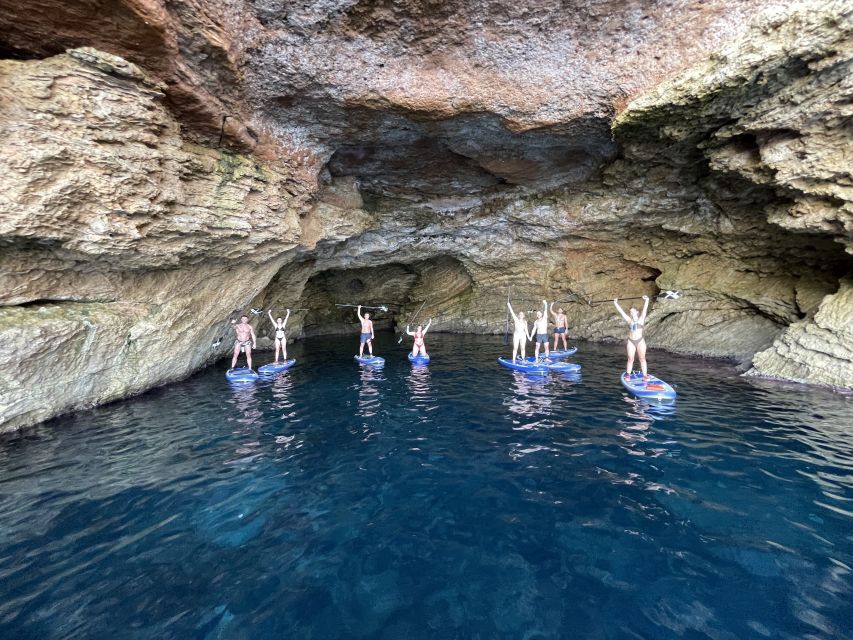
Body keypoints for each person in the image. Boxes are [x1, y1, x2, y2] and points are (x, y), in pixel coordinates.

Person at [614, 295, 650, 380]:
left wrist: (647, 300)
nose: (632, 313)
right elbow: (621, 312)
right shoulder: (629, 320)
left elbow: (645, 310)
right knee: (630, 359)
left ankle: (645, 376)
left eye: (633, 311)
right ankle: (628, 375)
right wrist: (616, 303)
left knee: (642, 358)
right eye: (631, 312)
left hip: (640, 341)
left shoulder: (641, 319)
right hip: (631, 341)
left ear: (637, 312)